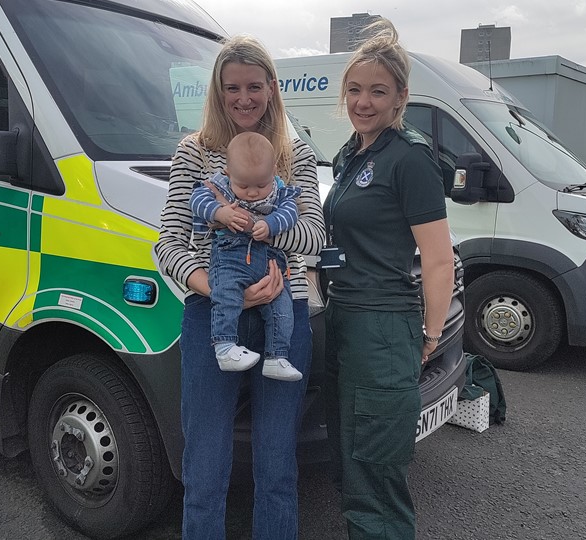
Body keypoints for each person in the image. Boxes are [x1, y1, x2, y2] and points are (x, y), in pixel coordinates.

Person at [154, 34, 325, 539]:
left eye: (254, 86)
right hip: (211, 316)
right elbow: (167, 244)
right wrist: (216, 289)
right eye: (232, 88)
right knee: (204, 464)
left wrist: (262, 228)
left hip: (284, 316)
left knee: (277, 465)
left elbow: (314, 235)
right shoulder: (194, 153)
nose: (243, 98)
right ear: (218, 90)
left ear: (272, 87)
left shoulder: (296, 156)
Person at [322, 18, 455, 540]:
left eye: (378, 91)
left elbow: (438, 259)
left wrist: (430, 333)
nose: (363, 101)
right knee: (349, 461)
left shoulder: (409, 158)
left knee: (376, 472)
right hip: (343, 320)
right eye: (354, 90)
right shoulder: (351, 154)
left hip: (382, 326)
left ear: (401, 96)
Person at [189, 131, 303, 381]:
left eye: (261, 185)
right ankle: (225, 346)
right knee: (226, 296)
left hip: (271, 264)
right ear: (228, 173)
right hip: (231, 259)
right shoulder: (216, 185)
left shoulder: (280, 191)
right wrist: (220, 214)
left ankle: (277, 356)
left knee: (283, 309)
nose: (252, 193)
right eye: (243, 186)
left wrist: (271, 224)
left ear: (273, 171)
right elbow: (196, 201)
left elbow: (290, 213)